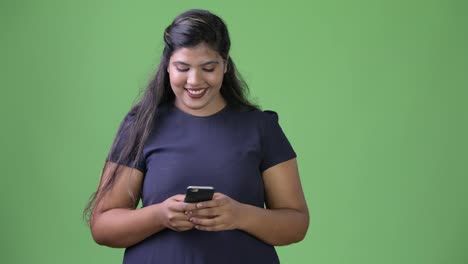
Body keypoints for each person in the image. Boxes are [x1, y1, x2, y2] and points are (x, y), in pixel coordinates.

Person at [84, 9, 309, 264]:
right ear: (167, 66)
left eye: (208, 68)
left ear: (225, 64)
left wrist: (239, 215)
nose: (194, 80)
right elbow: (102, 226)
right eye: (183, 67)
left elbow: (296, 223)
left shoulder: (261, 127)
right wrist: (160, 215)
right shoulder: (143, 125)